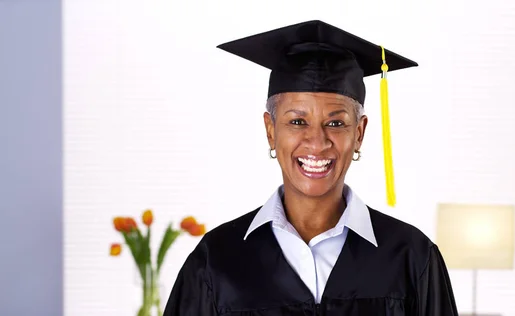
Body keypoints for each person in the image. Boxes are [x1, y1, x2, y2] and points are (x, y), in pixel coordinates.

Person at [164, 20, 459, 316]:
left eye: (336, 123)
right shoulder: (217, 259)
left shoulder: (412, 256)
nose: (317, 142)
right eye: (297, 121)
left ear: (359, 134)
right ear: (270, 131)